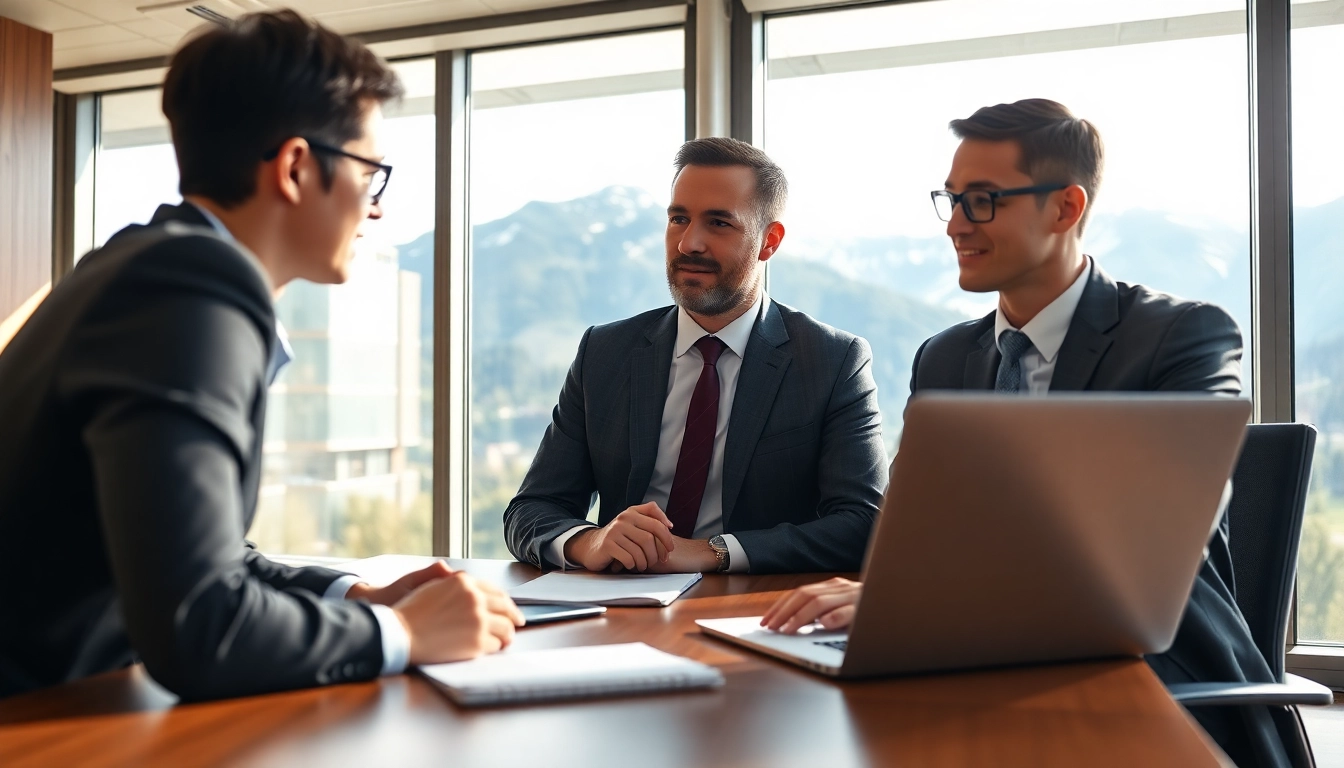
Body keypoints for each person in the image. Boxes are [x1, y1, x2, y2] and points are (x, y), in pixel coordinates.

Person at [0, 10, 522, 702]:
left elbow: (204, 554)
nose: (377, 208)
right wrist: (403, 635)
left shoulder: (147, 260)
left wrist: (358, 593)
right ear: (297, 167)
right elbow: (200, 626)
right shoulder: (192, 290)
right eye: (373, 173)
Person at [761, 99, 1289, 768]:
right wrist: (893, 594)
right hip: (966, 661)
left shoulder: (1181, 336)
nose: (955, 225)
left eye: (981, 202)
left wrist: (929, 599)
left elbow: (1159, 529)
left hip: (1147, 672)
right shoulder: (945, 356)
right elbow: (915, 531)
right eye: (950, 201)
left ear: (1065, 208)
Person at [503, 137, 887, 575]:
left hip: (750, 612)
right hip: (615, 607)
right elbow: (531, 509)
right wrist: (589, 542)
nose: (689, 243)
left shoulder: (834, 361)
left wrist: (710, 552)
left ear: (769, 241)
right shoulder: (604, 352)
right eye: (679, 219)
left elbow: (863, 525)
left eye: (718, 223)